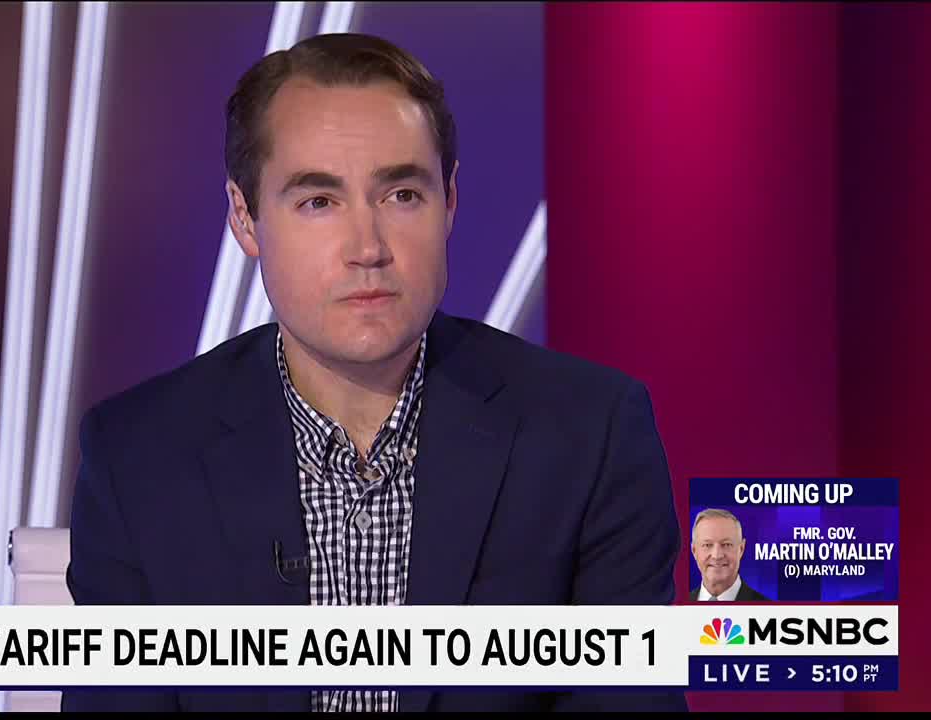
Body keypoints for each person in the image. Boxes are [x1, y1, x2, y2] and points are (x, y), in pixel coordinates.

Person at [63, 33, 685, 712]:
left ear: (450, 201)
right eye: (318, 202)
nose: (368, 248)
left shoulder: (590, 437)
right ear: (245, 218)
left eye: (402, 195)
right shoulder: (139, 458)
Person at [688, 508, 770, 602]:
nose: (717, 556)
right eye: (707, 545)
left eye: (726, 544)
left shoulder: (768, 608)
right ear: (694, 551)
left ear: (741, 549)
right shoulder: (678, 606)